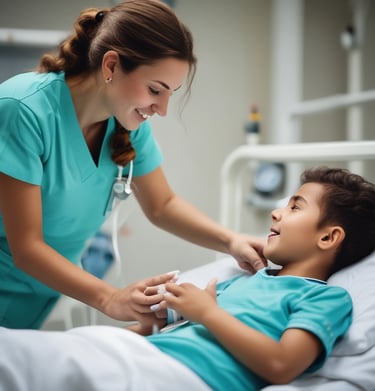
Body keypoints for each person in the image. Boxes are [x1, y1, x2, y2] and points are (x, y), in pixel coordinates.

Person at [0, 0, 266, 330]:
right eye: (156, 89)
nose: (163, 109)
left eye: (171, 93)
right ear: (111, 66)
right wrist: (111, 298)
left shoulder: (126, 126)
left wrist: (231, 241)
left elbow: (162, 205)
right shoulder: (23, 110)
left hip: (39, 296)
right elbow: (26, 247)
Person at [0, 166, 374, 391]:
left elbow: (282, 364)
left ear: (328, 237)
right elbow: (155, 331)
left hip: (182, 377)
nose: (277, 212)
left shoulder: (325, 299)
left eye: (295, 206)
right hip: (141, 356)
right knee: (38, 354)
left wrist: (207, 313)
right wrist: (138, 327)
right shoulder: (242, 282)